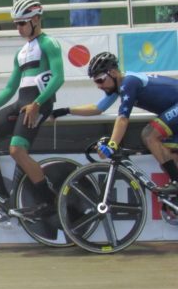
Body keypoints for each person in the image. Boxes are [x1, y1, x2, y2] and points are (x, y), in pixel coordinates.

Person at [0, 0, 64, 222]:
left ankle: (47, 201)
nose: (18, 28)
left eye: (22, 23)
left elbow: (59, 78)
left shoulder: (49, 43)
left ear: (36, 20)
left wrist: (38, 103)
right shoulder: (21, 53)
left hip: (38, 103)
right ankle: (1, 195)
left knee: (17, 150)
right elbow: (11, 88)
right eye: (16, 24)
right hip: (21, 103)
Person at [52, 52, 178, 193]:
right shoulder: (119, 87)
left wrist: (112, 144)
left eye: (100, 80)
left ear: (112, 72)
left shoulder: (129, 82)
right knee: (167, 158)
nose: (98, 86)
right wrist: (66, 110)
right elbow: (97, 108)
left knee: (149, 134)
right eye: (95, 82)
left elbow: (123, 118)